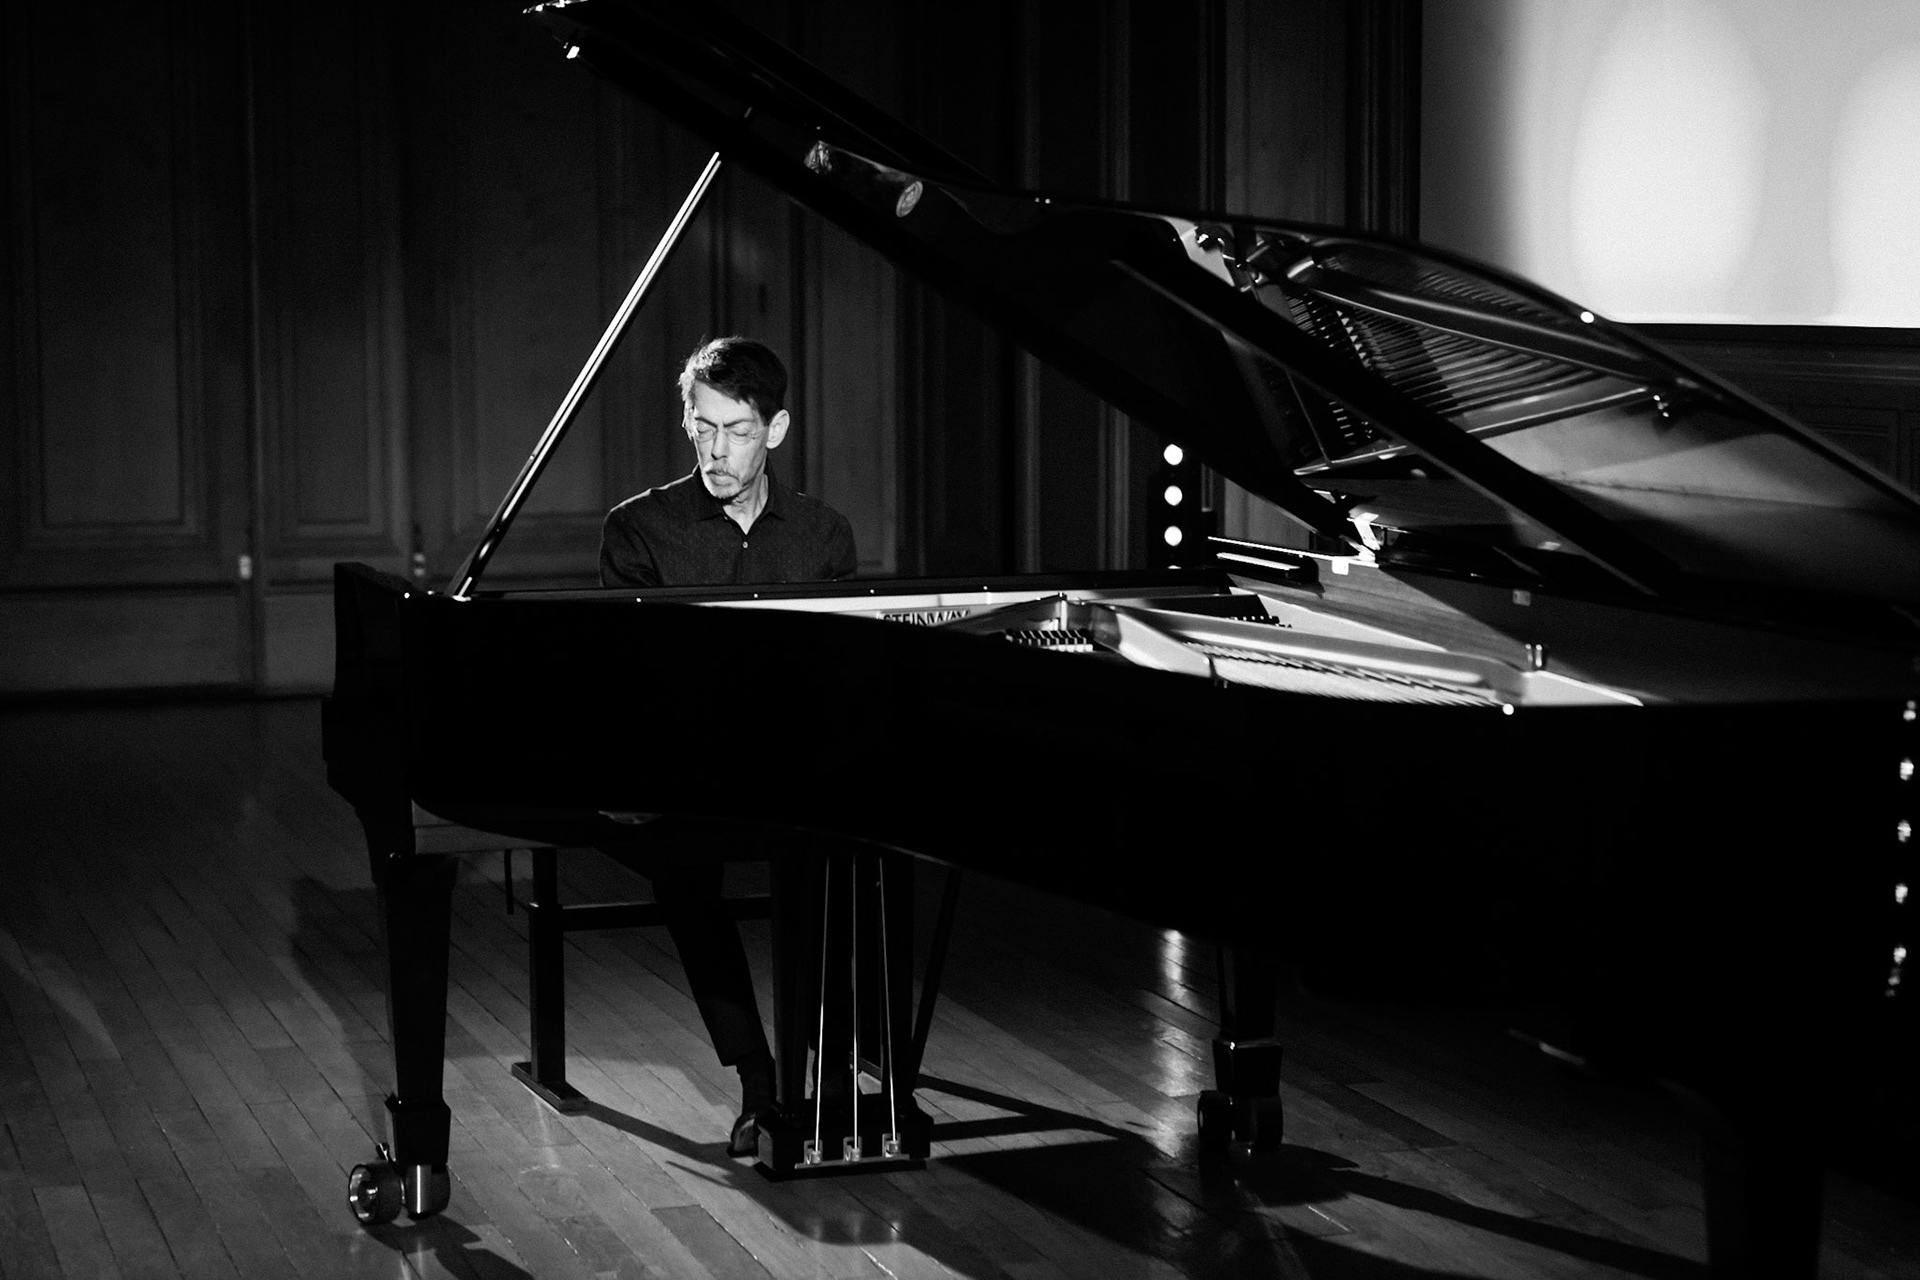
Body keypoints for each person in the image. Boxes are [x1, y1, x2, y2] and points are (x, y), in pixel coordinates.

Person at [599, 336, 856, 1157]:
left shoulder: (823, 533)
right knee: (682, 867)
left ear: (775, 430)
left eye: (738, 431)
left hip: (792, 764)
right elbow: (635, 679)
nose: (716, 451)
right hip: (686, 766)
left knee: (845, 852)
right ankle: (758, 1079)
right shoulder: (638, 529)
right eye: (702, 427)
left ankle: (835, 1070)